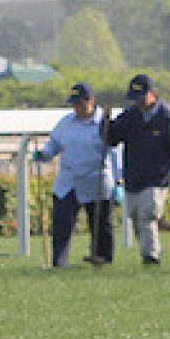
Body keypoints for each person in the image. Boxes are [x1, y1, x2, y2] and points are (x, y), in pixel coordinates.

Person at [103, 73, 170, 266]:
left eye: (142, 98)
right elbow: (113, 138)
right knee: (134, 216)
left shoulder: (167, 118)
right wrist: (106, 127)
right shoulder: (130, 115)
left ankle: (151, 256)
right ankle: (147, 251)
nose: (139, 103)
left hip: (157, 177)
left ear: (152, 94)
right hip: (134, 177)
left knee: (147, 214)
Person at [33, 81, 120, 268]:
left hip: (96, 180)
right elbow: (54, 144)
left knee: (100, 224)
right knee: (62, 222)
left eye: (80, 104)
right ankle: (59, 262)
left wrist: (118, 181)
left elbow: (116, 154)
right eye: (74, 104)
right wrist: (44, 154)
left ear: (91, 101)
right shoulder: (66, 123)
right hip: (69, 181)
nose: (77, 108)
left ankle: (102, 259)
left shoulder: (104, 124)